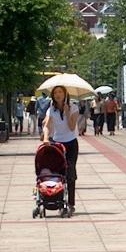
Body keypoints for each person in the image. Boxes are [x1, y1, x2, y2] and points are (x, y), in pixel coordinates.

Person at [42, 85, 79, 216]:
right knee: (56, 173)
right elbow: (47, 125)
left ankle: (71, 203)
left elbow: (71, 127)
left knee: (70, 173)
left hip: (71, 143)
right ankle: (57, 200)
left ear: (65, 94)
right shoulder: (51, 109)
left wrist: (67, 112)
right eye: (55, 92)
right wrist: (46, 138)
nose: (58, 95)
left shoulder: (74, 107)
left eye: (60, 92)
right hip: (57, 143)